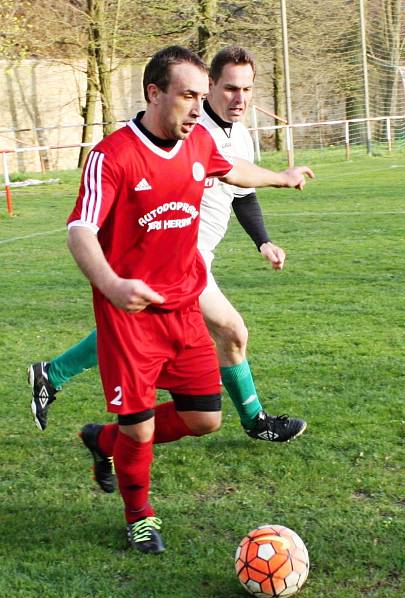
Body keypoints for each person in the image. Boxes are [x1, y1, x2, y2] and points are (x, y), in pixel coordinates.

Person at [64, 45, 313, 554]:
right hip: (130, 318)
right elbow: (79, 231)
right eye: (187, 96)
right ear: (154, 93)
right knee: (139, 432)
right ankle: (140, 516)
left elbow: (233, 170)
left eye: (202, 96)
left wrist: (281, 179)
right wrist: (113, 285)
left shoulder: (198, 141)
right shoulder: (111, 157)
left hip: (184, 307)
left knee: (204, 420)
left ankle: (103, 439)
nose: (198, 108)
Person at [29, 46, 306, 443]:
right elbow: (87, 219)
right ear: (209, 88)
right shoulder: (182, 130)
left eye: (246, 89)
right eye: (229, 89)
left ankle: (55, 377)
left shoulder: (235, 134)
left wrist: (264, 235)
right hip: (175, 259)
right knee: (228, 330)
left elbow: (239, 185)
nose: (239, 98)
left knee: (149, 328)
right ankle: (254, 421)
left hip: (191, 261)